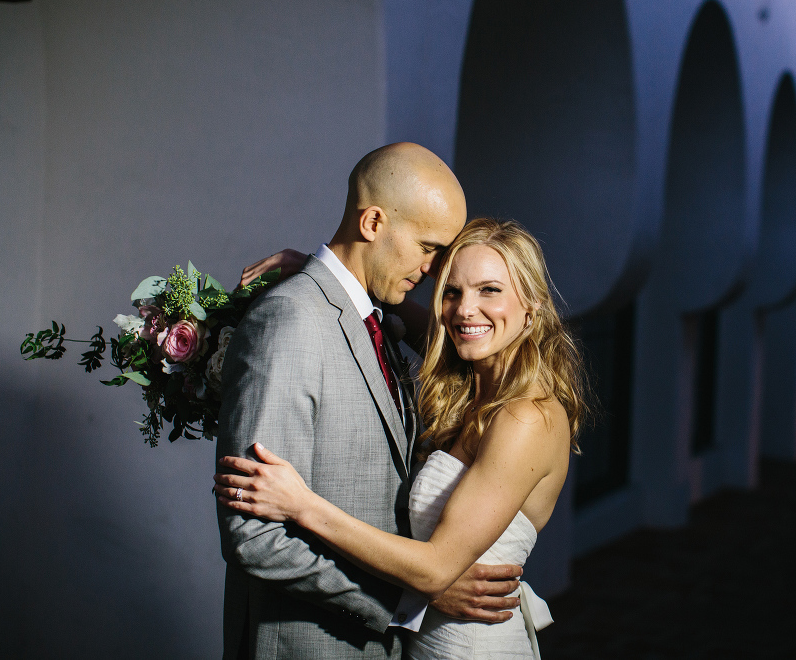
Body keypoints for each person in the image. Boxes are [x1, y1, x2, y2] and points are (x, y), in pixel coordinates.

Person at [216, 218, 588, 659]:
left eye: (490, 290)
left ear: (532, 305)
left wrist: (303, 505)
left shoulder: (525, 418)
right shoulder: (477, 382)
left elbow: (433, 571)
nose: (466, 309)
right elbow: (417, 322)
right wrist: (323, 275)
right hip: (421, 643)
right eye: (452, 291)